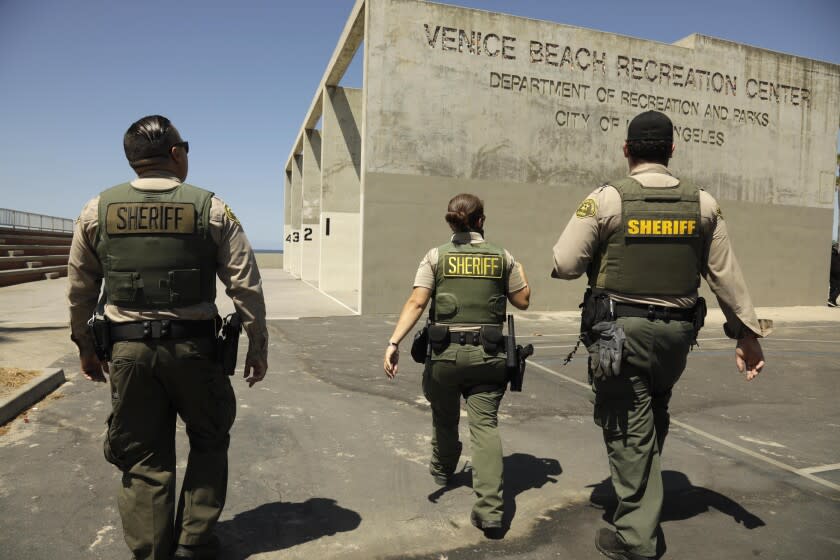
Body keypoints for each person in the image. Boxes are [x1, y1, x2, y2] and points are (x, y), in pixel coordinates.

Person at [551, 110, 770, 560]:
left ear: (627, 150)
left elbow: (565, 264)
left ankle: (635, 537)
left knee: (626, 423)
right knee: (652, 412)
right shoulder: (704, 204)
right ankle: (638, 494)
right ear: (672, 150)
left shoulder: (606, 199)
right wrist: (746, 335)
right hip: (675, 338)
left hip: (618, 332)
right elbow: (725, 275)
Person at [67, 115, 269, 560]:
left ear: (133, 160)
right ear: (177, 154)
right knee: (209, 437)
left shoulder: (96, 209)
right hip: (195, 349)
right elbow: (245, 285)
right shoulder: (211, 207)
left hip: (127, 351)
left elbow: (80, 288)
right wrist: (257, 346)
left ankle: (151, 549)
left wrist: (84, 346)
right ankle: (194, 542)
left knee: (142, 454)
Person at [383, 193, 531, 534]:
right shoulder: (502, 256)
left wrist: (394, 343)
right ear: (481, 220)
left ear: (452, 221)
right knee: (485, 427)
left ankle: (442, 468)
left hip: (444, 357)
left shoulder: (436, 256)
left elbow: (417, 302)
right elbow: (522, 301)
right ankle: (491, 511)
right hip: (489, 358)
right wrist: (520, 269)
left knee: (444, 416)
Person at [828, 241, 839, 307]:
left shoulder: (835, 254)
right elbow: (836, 264)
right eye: (837, 246)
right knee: (837, 287)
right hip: (836, 273)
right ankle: (831, 299)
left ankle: (832, 302)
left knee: (833, 287)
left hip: (832, 273)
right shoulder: (834, 254)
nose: (838, 247)